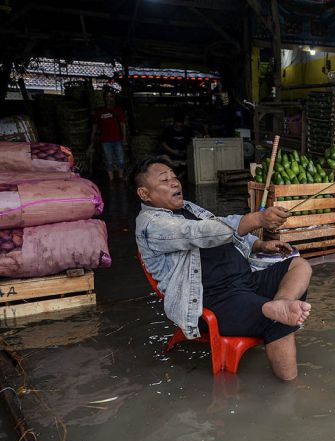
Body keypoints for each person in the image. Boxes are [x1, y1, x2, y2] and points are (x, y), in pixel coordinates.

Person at [134, 157, 312, 381]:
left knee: (299, 265)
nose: (174, 182)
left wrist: (259, 244)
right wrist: (257, 219)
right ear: (144, 194)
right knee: (278, 321)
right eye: (164, 179)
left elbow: (223, 224)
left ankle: (281, 301)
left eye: (173, 176)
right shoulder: (151, 224)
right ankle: (289, 390)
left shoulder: (188, 207)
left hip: (245, 280)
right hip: (214, 299)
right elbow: (204, 232)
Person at [90, 90, 127, 181]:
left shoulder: (118, 110)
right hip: (105, 140)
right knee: (109, 161)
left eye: (111, 97)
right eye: (107, 97)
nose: (109, 99)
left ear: (114, 98)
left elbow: (123, 125)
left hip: (117, 139)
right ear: (104, 99)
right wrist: (92, 140)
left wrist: (124, 138)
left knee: (121, 160)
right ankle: (111, 179)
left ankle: (121, 177)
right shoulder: (100, 111)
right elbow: (95, 127)